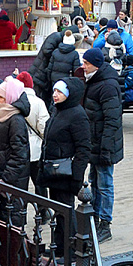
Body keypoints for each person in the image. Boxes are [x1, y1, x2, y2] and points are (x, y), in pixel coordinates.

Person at [41, 79, 91, 254]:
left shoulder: (77, 114)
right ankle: (59, 247)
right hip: (53, 171)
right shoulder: (57, 110)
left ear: (69, 94)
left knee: (66, 213)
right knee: (59, 212)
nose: (55, 94)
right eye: (54, 90)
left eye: (60, 92)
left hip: (66, 173)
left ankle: (72, 251)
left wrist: (76, 177)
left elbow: (83, 149)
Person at [81, 47, 123, 243]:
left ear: (95, 65)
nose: (83, 67)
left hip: (104, 143)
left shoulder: (106, 85)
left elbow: (112, 120)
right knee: (94, 180)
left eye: (86, 64)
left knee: (105, 183)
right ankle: (95, 218)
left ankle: (105, 223)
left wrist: (105, 147)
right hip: (94, 141)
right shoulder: (94, 80)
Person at [0, 77, 32, 225]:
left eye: (1, 97)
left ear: (9, 97)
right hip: (4, 177)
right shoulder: (5, 115)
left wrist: (6, 179)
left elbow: (19, 156)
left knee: (13, 218)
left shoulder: (15, 120)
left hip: (13, 181)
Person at [15, 72, 49, 198]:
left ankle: (20, 212)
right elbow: (43, 126)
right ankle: (43, 211)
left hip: (19, 149)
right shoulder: (39, 102)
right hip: (36, 149)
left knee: (21, 185)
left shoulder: (13, 101)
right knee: (39, 184)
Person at [30, 21, 70, 104]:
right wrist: (58, 53)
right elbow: (46, 50)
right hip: (39, 69)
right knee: (37, 94)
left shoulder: (58, 38)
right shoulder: (56, 36)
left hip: (42, 70)